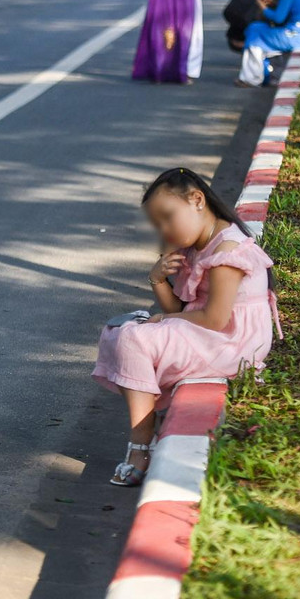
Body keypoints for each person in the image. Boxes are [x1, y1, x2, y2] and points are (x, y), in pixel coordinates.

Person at [92, 168, 279, 486]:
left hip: (232, 342)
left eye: (168, 217)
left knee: (133, 339)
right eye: (157, 225)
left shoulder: (227, 250)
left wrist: (162, 321)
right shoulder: (199, 247)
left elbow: (214, 319)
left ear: (196, 200)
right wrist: (158, 278)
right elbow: (182, 311)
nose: (164, 230)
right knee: (117, 333)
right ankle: (149, 429)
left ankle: (140, 445)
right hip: (211, 336)